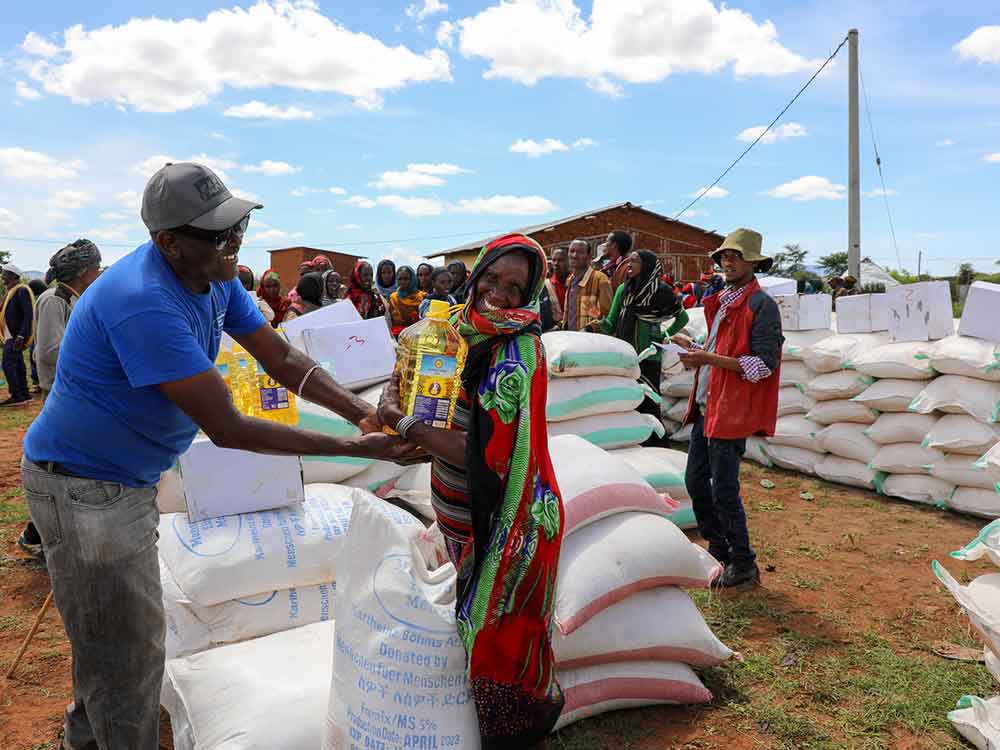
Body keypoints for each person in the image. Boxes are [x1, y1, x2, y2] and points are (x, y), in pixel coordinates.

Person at [21, 162, 419, 750]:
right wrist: (355, 449)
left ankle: (83, 741)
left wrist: (359, 413)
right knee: (127, 651)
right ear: (169, 242)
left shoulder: (215, 274)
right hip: (85, 488)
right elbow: (229, 428)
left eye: (237, 228)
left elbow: (280, 360)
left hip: (120, 480)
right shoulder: (143, 302)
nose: (235, 243)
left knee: (110, 638)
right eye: (219, 233)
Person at [377, 233, 564, 747]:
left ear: (528, 296)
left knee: (492, 623)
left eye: (514, 286)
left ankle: (513, 725)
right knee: (468, 606)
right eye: (492, 278)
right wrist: (396, 394)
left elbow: (482, 451)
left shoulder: (519, 349)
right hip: (456, 505)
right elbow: (416, 390)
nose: (498, 293)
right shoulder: (449, 331)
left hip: (506, 513)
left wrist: (405, 424)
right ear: (475, 273)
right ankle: (474, 714)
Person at [673, 228, 783, 589]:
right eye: (724, 256)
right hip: (708, 406)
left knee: (723, 488)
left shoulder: (761, 306)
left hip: (731, 412)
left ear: (753, 263)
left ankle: (743, 562)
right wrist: (694, 347)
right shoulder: (721, 300)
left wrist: (708, 358)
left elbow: (763, 363)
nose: (728, 262)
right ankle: (719, 549)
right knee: (694, 481)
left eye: (736, 256)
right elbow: (721, 347)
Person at [17, 240, 103, 559]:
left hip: (74, 394)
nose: (98, 272)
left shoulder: (75, 299)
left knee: (71, 467)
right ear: (84, 272)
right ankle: (35, 535)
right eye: (96, 267)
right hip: (61, 394)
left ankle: (48, 532)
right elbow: (50, 349)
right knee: (61, 468)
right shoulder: (56, 299)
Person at [590, 250, 688, 424]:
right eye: (629, 261)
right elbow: (611, 324)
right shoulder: (623, 290)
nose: (629, 265)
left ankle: (654, 442)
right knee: (625, 399)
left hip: (650, 355)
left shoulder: (662, 292)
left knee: (649, 400)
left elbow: (683, 318)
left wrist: (665, 335)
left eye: (634, 262)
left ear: (647, 266)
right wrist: (599, 320)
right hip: (625, 354)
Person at [1, 263, 35, 406]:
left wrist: (22, 336)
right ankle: (24, 394)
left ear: (13, 276)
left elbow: (28, 315)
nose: (2, 276)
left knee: (8, 364)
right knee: (18, 364)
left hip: (16, 336)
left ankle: (16, 395)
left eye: (5, 273)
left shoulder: (21, 290)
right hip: (11, 335)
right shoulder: (11, 291)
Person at [562, 239, 612, 332]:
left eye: (580, 252)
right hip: (570, 339)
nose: (574, 255)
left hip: (591, 341)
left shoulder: (600, 279)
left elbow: (606, 315)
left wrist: (588, 329)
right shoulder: (570, 280)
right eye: (572, 251)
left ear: (589, 256)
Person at [386, 265, 425, 336]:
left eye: (406, 279)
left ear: (413, 279)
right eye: (400, 279)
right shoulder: (393, 297)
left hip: (420, 335)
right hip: (399, 335)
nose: (403, 282)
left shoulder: (423, 296)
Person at [27, 278, 48, 393]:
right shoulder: (43, 297)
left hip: (42, 333)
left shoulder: (45, 298)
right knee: (34, 357)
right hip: (37, 332)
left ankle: (39, 383)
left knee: (36, 357)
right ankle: (38, 382)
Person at [545, 246, 569, 327]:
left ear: (569, 261)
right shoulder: (546, 286)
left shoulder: (577, 284)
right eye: (554, 260)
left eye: (561, 260)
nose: (556, 264)